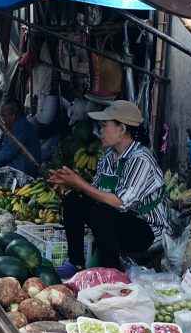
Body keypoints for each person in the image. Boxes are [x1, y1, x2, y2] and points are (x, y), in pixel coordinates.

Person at [48, 100, 169, 275]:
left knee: (102, 212)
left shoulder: (141, 159)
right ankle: (76, 264)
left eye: (105, 126)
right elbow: (96, 193)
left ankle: (112, 272)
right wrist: (74, 185)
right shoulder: (109, 156)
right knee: (74, 200)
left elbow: (120, 203)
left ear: (121, 129)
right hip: (121, 220)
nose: (101, 131)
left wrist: (81, 183)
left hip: (148, 230)